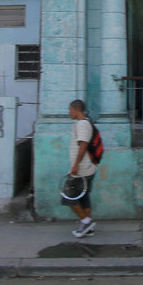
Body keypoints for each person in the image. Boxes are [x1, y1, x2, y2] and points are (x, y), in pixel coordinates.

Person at [63, 99, 98, 238]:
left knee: (68, 196)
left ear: (76, 109)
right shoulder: (84, 123)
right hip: (87, 168)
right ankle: (87, 229)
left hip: (82, 169)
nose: (69, 113)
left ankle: (86, 221)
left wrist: (76, 165)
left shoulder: (82, 124)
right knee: (84, 198)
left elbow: (83, 144)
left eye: (70, 110)